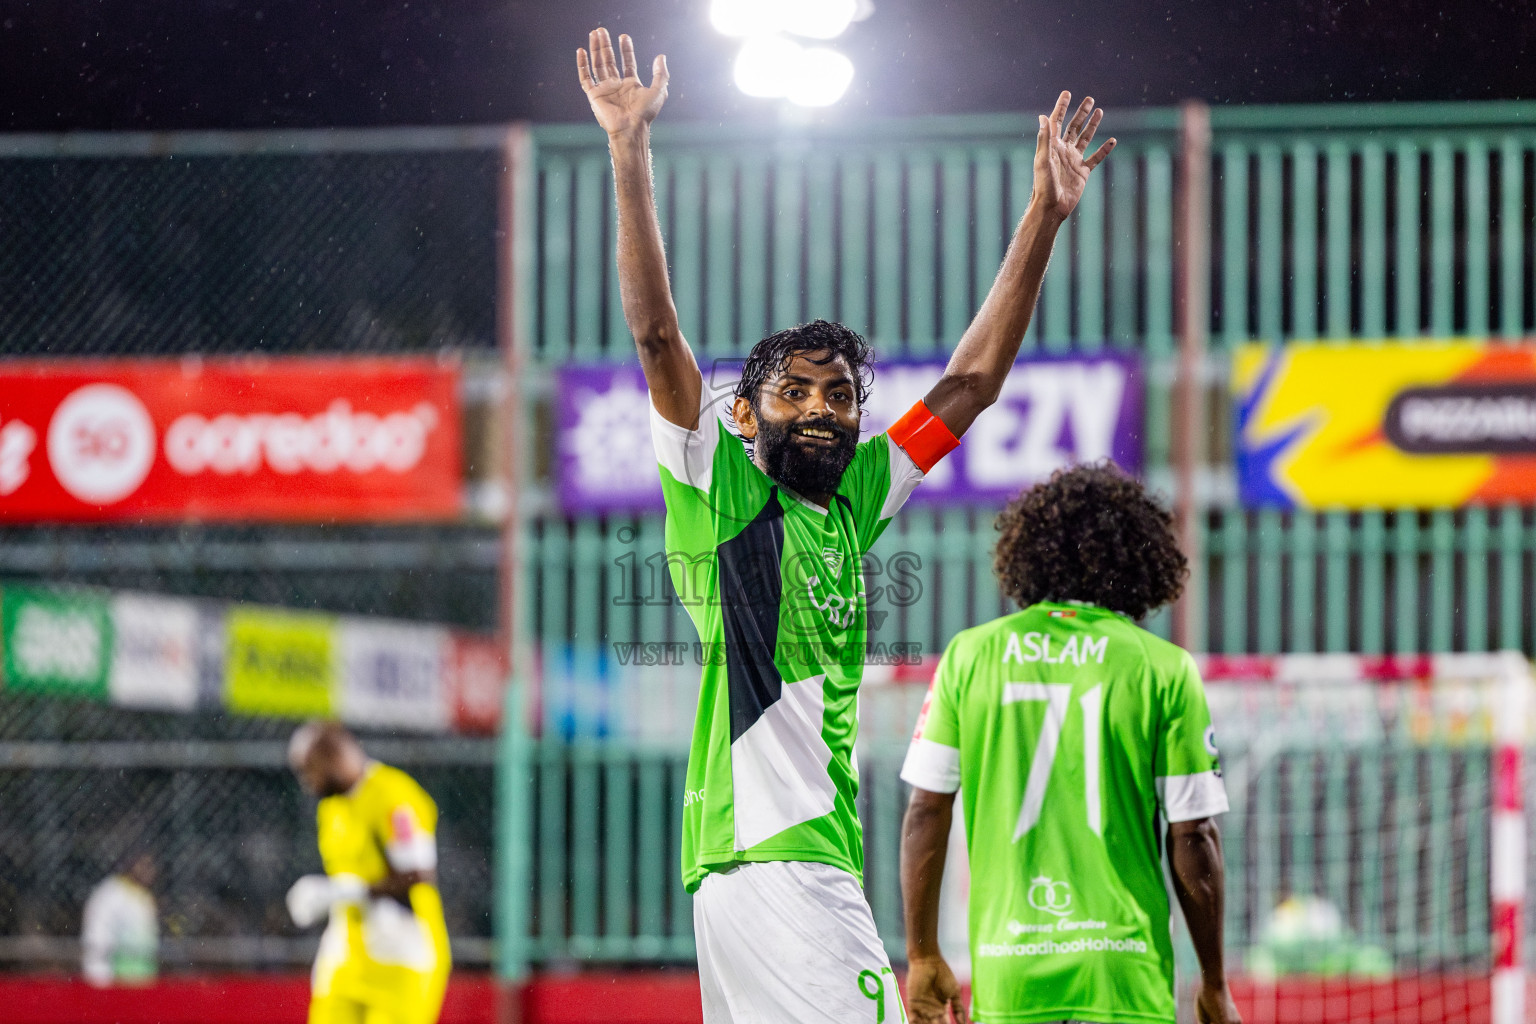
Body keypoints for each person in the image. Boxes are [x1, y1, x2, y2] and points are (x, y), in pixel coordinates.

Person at [576, 26, 1115, 1024]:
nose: (821, 407)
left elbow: (968, 384)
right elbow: (656, 335)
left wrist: (1044, 215)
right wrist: (627, 147)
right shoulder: (723, 491)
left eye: (838, 394)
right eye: (794, 392)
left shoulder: (855, 497)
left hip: (768, 864)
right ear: (746, 417)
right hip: (781, 862)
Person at [899, 463, 1241, 1024]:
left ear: (1028, 553)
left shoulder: (970, 656)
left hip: (1010, 973)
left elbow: (925, 812)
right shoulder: (1163, 667)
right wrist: (1213, 982)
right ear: (1142, 562)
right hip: (1123, 976)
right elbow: (1195, 836)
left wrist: (922, 952)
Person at [286, 722, 450, 1024]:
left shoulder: (393, 796)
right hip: (347, 956)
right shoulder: (331, 806)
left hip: (401, 957)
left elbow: (418, 873)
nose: (306, 780)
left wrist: (349, 891)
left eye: (309, 769)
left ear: (335, 757)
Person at [81, 853, 158, 986]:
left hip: (142, 983)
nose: (150, 870)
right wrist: (101, 983)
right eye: (144, 865)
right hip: (115, 985)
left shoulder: (143, 896)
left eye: (151, 865)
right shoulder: (111, 894)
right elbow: (97, 939)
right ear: (132, 864)